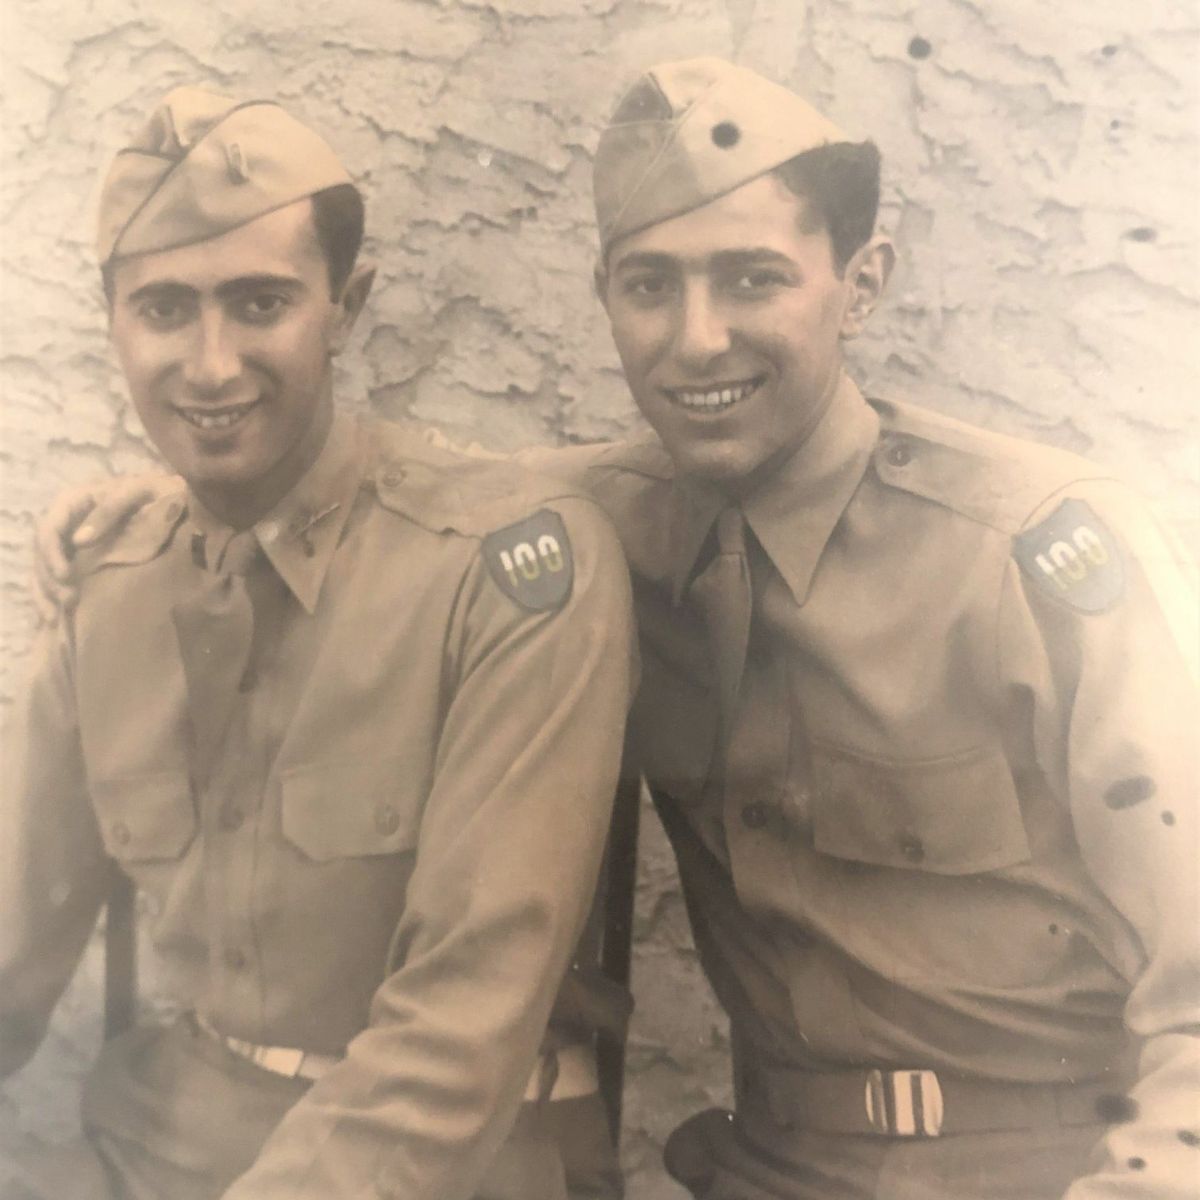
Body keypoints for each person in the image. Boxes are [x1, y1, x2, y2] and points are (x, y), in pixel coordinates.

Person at [32, 59, 1200, 1199]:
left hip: (1051, 1164)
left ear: (862, 282)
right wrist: (177, 499)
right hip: (769, 1166)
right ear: (604, 296)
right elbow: (367, 498)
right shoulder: (596, 524)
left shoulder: (1035, 559)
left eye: (752, 279)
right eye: (651, 286)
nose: (697, 339)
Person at [1, 87, 636, 1200]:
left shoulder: (498, 575)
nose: (210, 365)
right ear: (111, 319)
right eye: (163, 309)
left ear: (345, 306)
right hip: (158, 1146)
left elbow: (461, 1026)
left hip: (445, 1166)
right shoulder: (111, 587)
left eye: (260, 304)